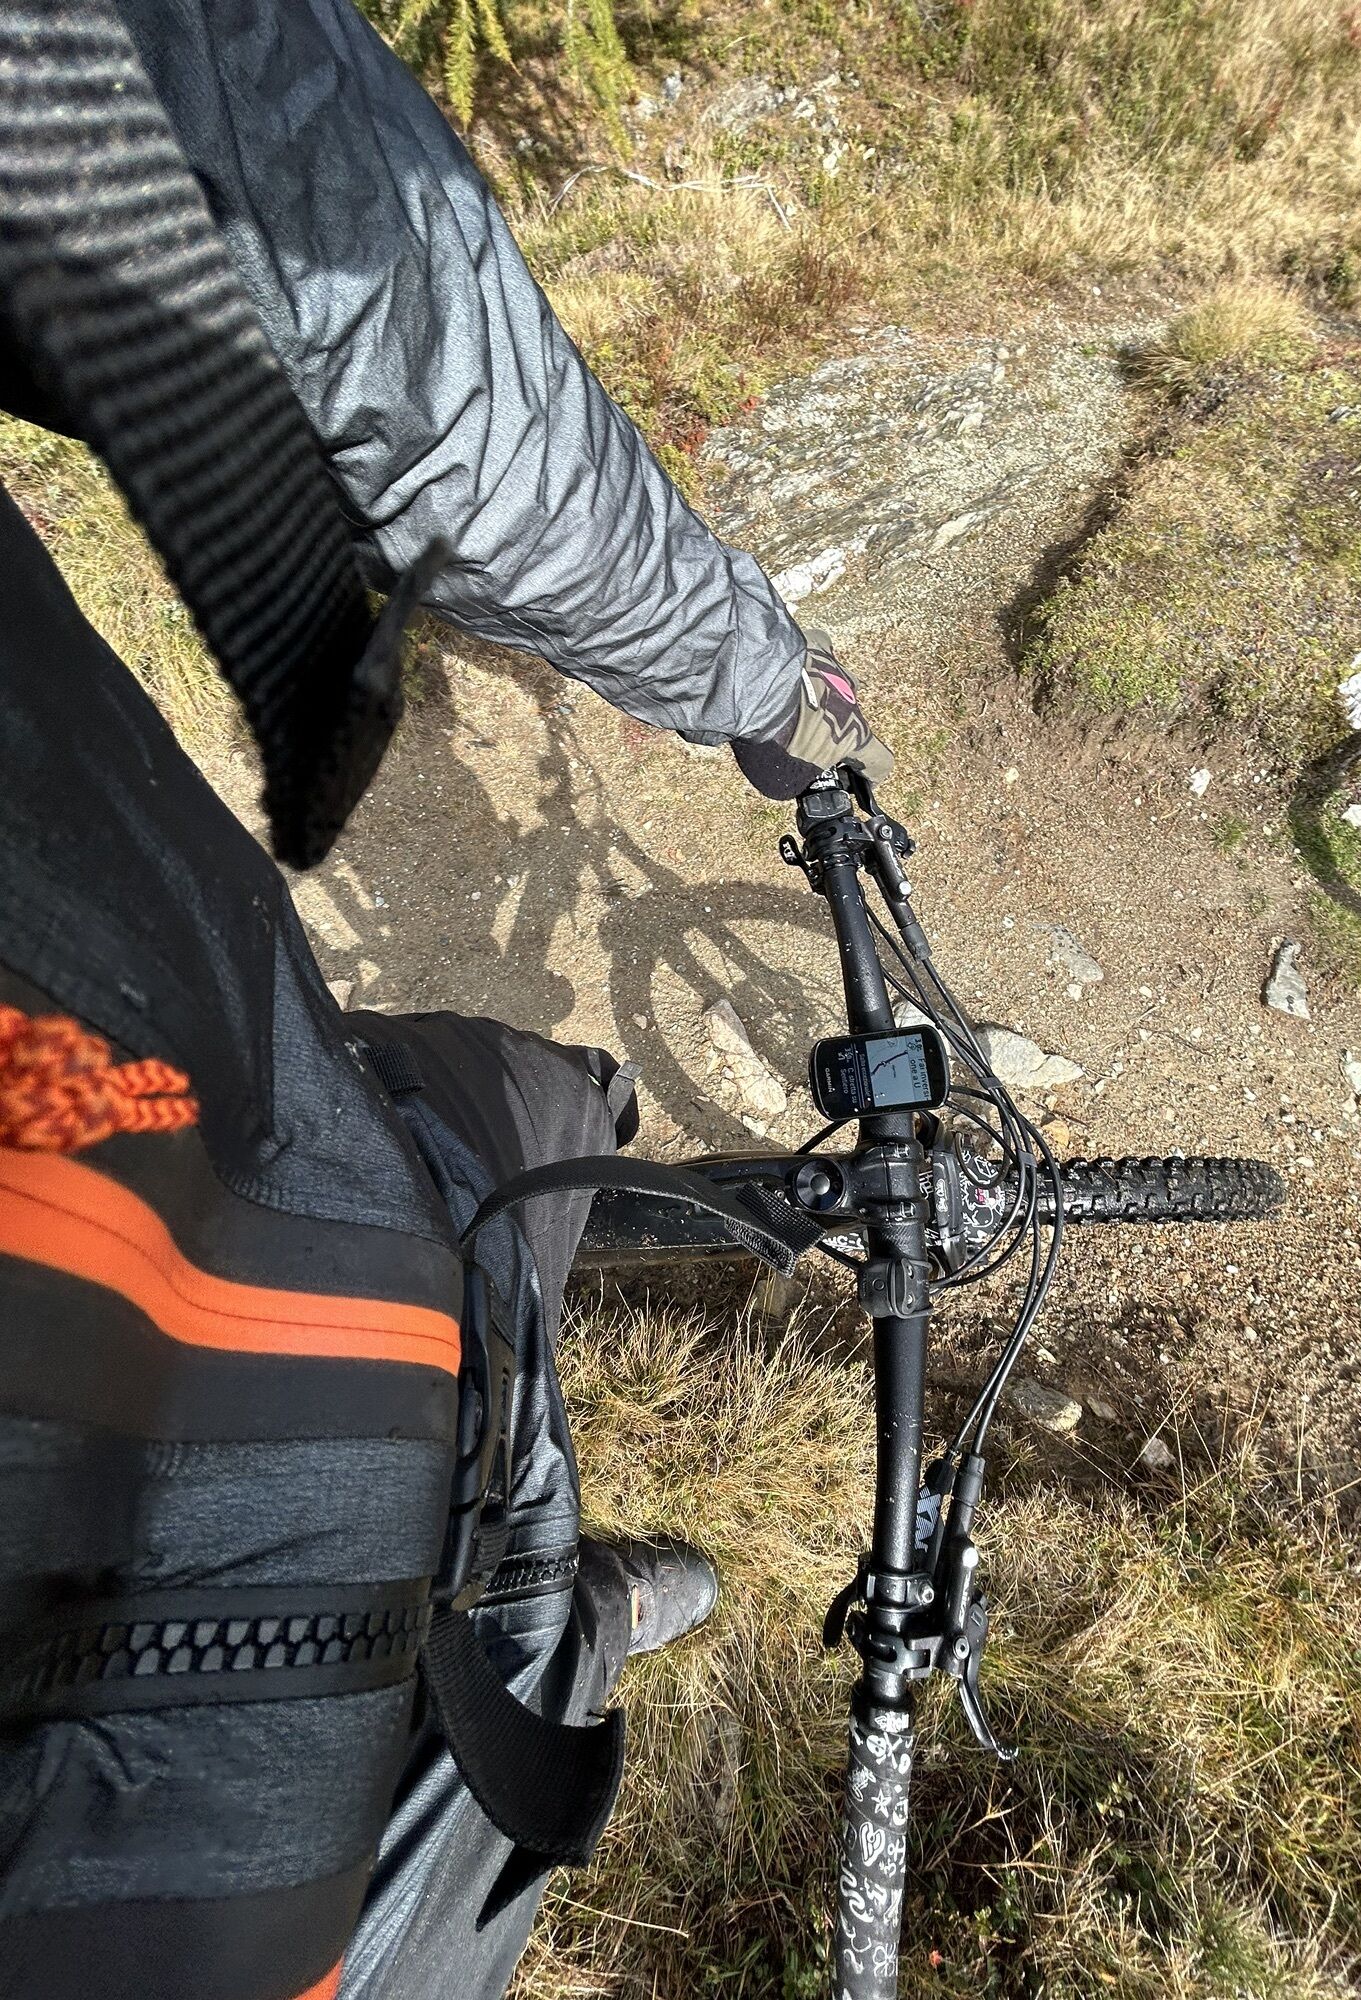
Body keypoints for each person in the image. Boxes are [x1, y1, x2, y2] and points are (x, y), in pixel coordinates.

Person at [0, 2, 890, 1997]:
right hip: (232, 1264)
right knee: (525, 1133)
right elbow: (348, 289)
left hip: (206, 1799)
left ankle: (567, 1601)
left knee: (504, 1190)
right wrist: (756, 676)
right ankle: (575, 1609)